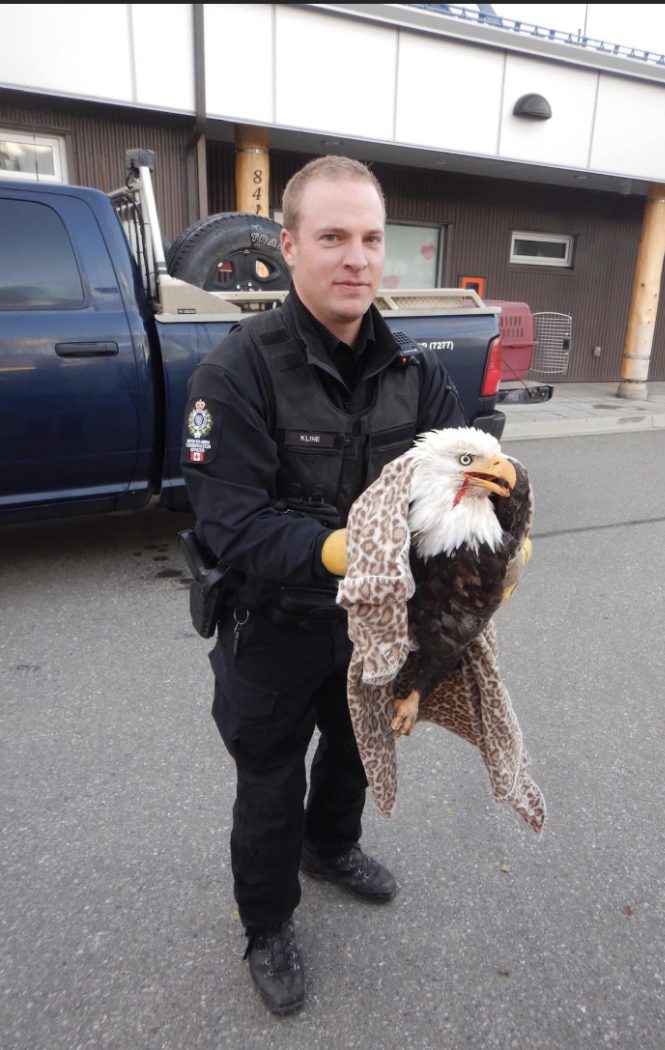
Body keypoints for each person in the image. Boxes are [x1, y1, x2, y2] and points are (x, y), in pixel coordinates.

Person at [180, 155, 466, 1016]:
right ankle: (267, 924)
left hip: (373, 624)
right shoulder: (236, 373)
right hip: (274, 625)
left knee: (352, 747)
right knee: (269, 780)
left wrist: (496, 518)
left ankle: (332, 847)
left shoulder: (414, 368)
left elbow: (464, 453)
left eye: (372, 239)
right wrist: (344, 551)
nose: (357, 258)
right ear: (288, 246)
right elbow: (231, 520)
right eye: (333, 237)